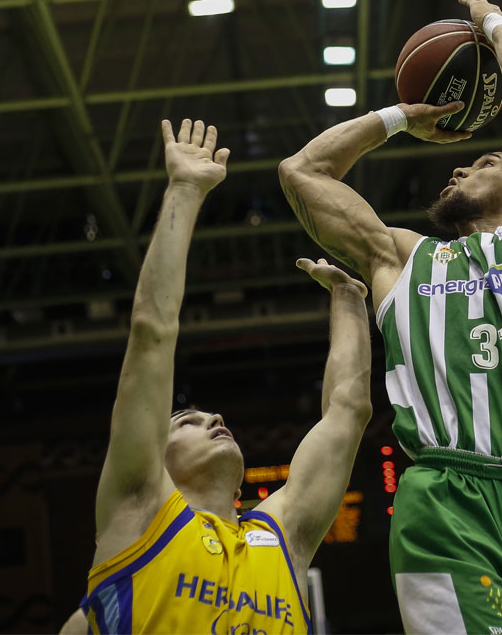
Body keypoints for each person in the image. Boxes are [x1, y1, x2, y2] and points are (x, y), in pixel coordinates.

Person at [279, 0, 502, 633]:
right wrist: (399, 118)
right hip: (448, 495)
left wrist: (490, 23)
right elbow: (303, 171)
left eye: (481, 161)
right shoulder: (399, 257)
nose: (458, 163)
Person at [79, 118, 373, 635]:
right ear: (155, 458)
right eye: (186, 421)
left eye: (204, 414)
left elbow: (348, 414)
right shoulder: (139, 510)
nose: (214, 416)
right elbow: (152, 332)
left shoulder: (284, 533)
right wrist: (185, 191)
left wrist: (349, 301)